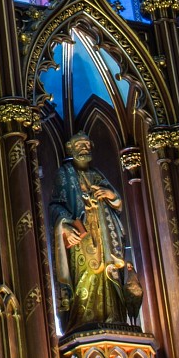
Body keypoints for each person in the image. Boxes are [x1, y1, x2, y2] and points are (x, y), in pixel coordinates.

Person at [54, 135, 140, 328]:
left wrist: (110, 195)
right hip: (83, 238)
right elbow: (55, 206)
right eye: (79, 145)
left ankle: (114, 319)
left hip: (105, 238)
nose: (84, 148)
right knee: (87, 278)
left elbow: (117, 205)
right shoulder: (65, 174)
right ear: (70, 149)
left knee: (110, 278)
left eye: (86, 144)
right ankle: (85, 322)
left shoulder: (97, 174)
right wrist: (65, 226)